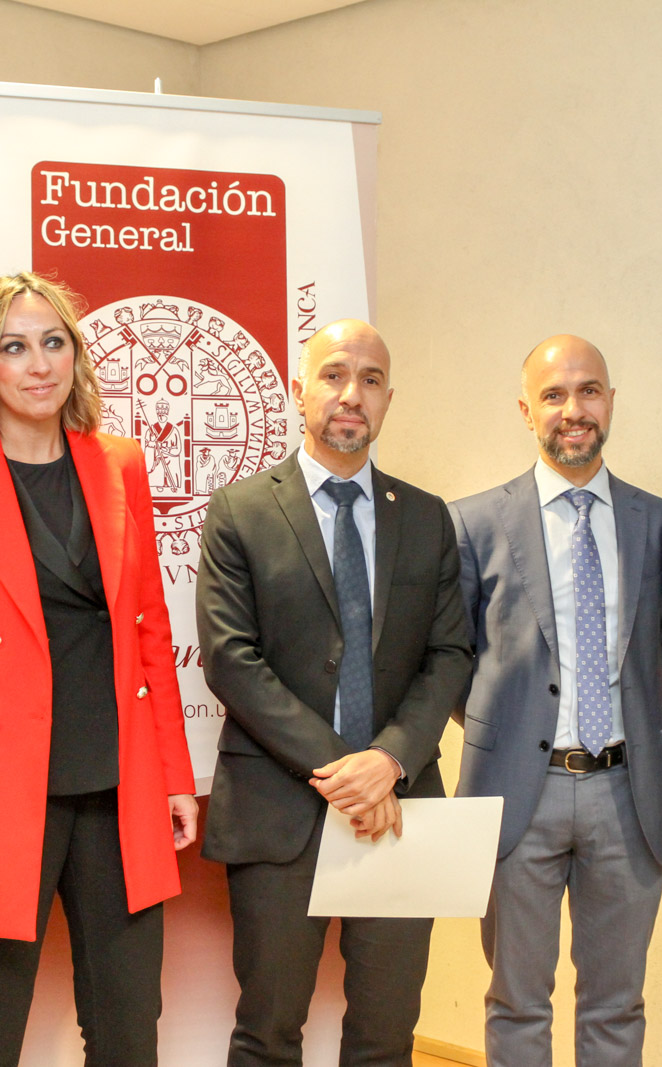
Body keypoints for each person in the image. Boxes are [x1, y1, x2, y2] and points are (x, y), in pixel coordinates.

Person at [0, 272, 198, 1066]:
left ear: (75, 356)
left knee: (129, 1029)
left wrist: (170, 772)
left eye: (53, 342)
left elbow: (148, 633)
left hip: (114, 780)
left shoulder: (118, 462)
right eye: (14, 347)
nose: (37, 364)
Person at [196, 319, 472, 1066]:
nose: (353, 394)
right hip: (281, 809)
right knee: (268, 1031)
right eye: (335, 374)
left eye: (372, 380)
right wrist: (345, 768)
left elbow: (450, 653)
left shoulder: (424, 515)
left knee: (386, 1036)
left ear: (388, 400)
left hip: (400, 803)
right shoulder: (241, 511)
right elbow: (231, 659)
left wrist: (388, 760)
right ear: (299, 389)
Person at [451, 335, 662, 1065]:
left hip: (627, 791)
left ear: (611, 402)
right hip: (517, 792)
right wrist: (516, 730)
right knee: (517, 1002)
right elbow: (457, 660)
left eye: (588, 391)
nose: (573, 410)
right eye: (553, 395)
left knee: (617, 1005)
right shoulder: (474, 521)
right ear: (527, 410)